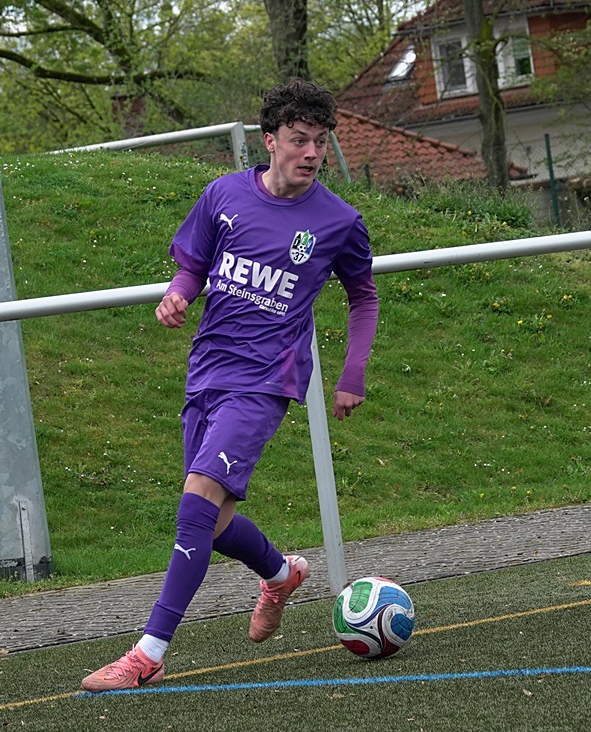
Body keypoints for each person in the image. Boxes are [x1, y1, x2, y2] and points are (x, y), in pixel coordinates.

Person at [81, 78, 379, 692]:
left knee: (195, 506)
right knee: (212, 524)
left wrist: (351, 374)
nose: (312, 153)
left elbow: (363, 297)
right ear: (269, 140)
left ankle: (147, 653)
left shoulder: (339, 222)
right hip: (208, 370)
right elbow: (193, 265)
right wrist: (176, 295)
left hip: (266, 381)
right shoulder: (223, 195)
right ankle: (281, 573)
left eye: (320, 141)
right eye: (298, 139)